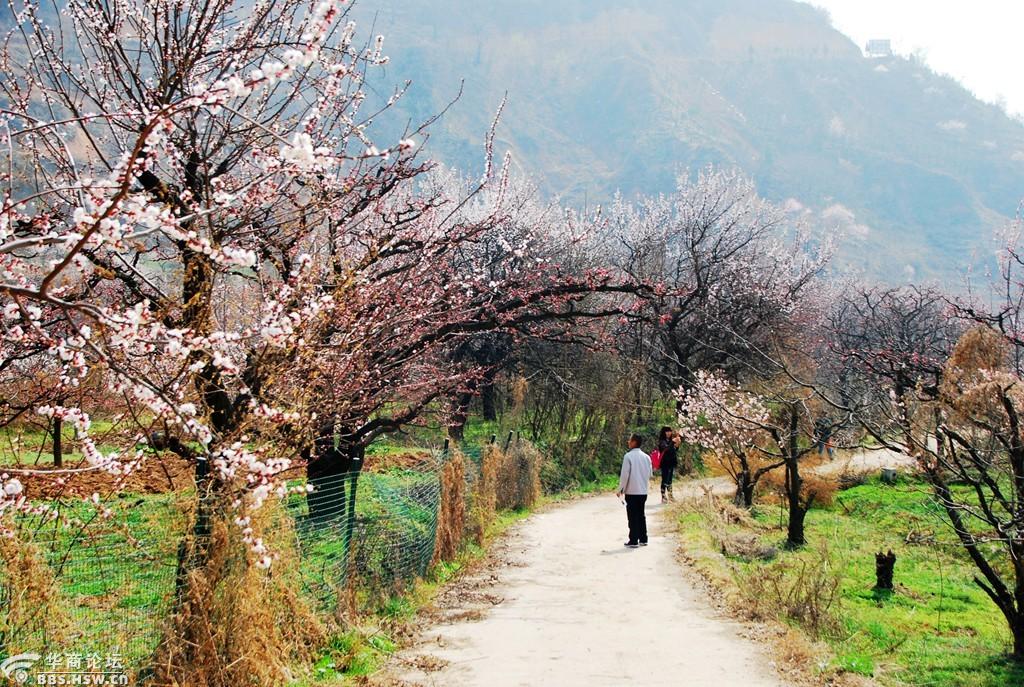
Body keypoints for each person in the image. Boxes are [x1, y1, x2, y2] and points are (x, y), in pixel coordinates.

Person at [617, 433, 652, 548]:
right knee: (641, 514)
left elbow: (624, 475)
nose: (628, 442)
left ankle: (633, 540)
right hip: (643, 491)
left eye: (630, 440)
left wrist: (621, 489)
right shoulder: (647, 457)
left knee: (632, 516)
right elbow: (650, 474)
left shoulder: (628, 456)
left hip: (632, 491)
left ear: (634, 442)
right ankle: (643, 538)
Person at [657, 426, 678, 503]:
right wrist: (672, 442)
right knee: (665, 479)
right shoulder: (662, 441)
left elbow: (674, 450)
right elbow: (665, 449)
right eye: (667, 431)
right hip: (665, 463)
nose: (669, 433)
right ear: (664, 432)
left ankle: (670, 495)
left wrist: (677, 444)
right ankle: (663, 496)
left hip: (671, 462)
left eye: (669, 431)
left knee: (670, 480)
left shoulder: (670, 440)